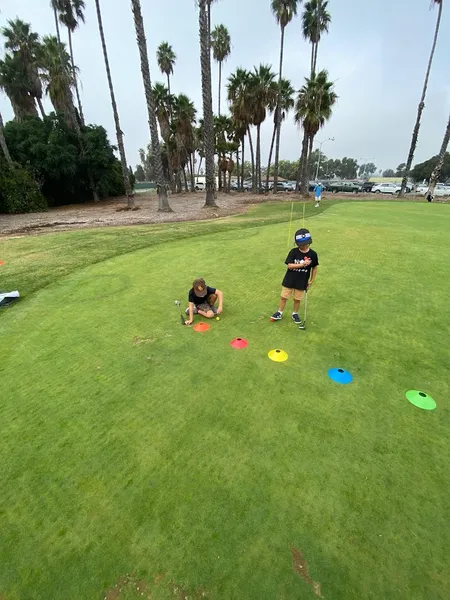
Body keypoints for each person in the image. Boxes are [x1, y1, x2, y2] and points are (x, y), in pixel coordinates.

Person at [271, 228, 319, 324]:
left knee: (297, 299)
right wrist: (302, 264)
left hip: (302, 281)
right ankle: (279, 312)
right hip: (289, 280)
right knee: (283, 297)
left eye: (305, 244)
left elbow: (314, 268)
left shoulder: (313, 254)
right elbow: (289, 266)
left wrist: (311, 281)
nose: (303, 246)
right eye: (301, 245)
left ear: (309, 242)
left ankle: (295, 313)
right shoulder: (293, 252)